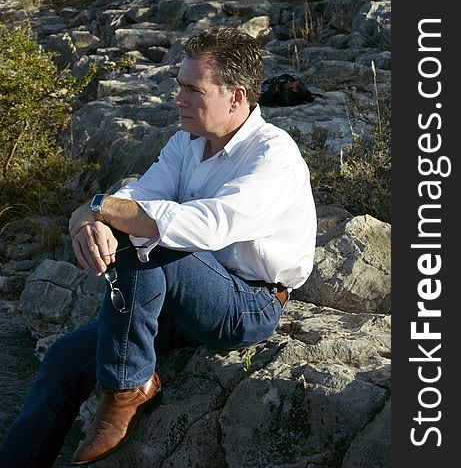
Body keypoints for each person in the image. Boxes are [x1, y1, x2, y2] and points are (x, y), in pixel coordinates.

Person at [0, 26, 317, 466]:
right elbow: (140, 197)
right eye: (178, 86)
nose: (178, 99)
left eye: (193, 89)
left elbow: (208, 225)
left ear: (236, 97)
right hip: (184, 295)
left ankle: (126, 388)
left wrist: (100, 210)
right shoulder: (187, 142)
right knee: (63, 358)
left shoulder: (273, 155)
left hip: (248, 304)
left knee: (142, 238)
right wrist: (91, 215)